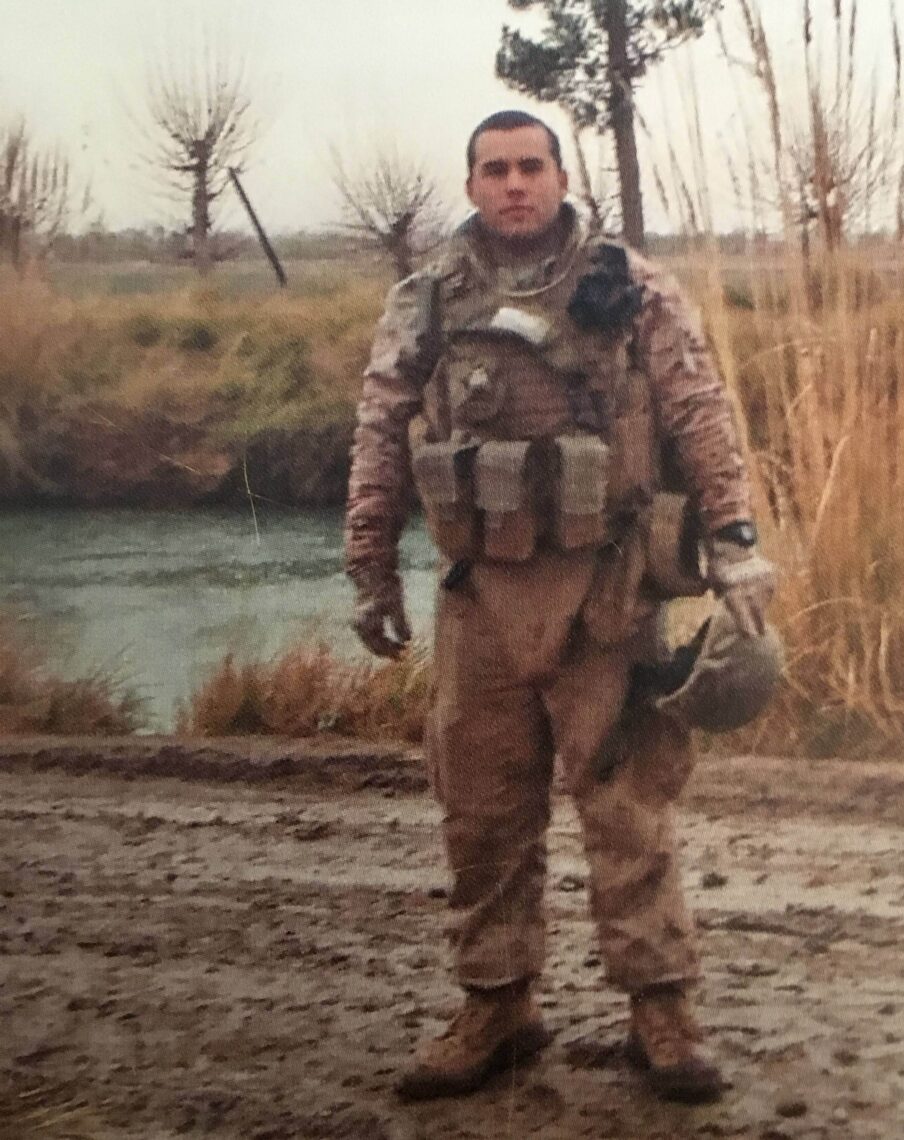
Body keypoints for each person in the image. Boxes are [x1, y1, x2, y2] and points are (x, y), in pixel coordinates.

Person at [345, 109, 776, 1104]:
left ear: (560, 174)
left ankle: (659, 1009)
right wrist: (368, 559)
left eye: (530, 167)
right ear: (471, 186)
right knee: (483, 814)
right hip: (481, 598)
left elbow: (701, 413)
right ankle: (498, 1006)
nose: (513, 186)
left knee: (627, 808)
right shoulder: (429, 299)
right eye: (493, 170)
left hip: (605, 594)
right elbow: (380, 425)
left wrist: (738, 545)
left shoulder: (629, 287)